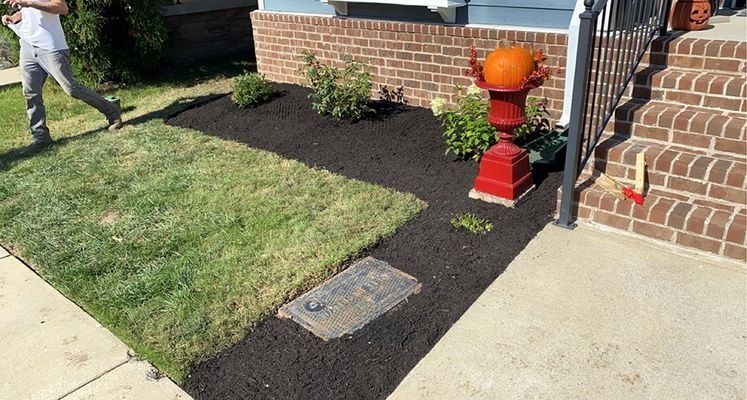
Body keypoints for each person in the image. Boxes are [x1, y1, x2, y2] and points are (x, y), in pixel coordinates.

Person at [1, 0, 122, 148]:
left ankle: (113, 113)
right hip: (28, 46)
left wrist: (29, 3)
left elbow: (62, 8)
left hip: (51, 47)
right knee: (30, 92)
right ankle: (40, 137)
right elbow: (30, 13)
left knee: (71, 88)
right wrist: (15, 17)